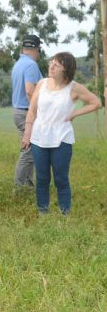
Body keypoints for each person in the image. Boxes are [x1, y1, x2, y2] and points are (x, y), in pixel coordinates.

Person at [21, 52, 101, 214]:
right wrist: (27, 134)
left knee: (61, 179)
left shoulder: (74, 88)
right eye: (51, 63)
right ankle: (43, 212)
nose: (51, 66)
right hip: (39, 137)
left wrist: (74, 114)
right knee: (42, 178)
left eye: (56, 65)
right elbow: (32, 110)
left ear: (66, 69)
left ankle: (65, 213)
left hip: (62, 138)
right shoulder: (42, 84)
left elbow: (96, 102)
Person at [11, 34, 43, 191]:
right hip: (26, 112)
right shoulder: (31, 65)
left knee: (30, 148)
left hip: (18, 111)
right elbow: (30, 91)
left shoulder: (18, 64)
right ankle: (18, 188)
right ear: (36, 49)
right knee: (28, 152)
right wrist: (39, 111)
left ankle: (28, 187)